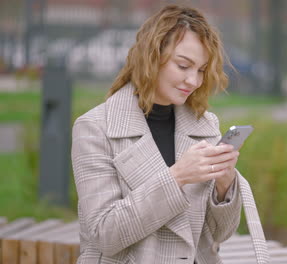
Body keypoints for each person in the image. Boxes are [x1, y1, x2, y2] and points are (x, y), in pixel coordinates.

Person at [71, 4, 269, 264]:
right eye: (183, 65)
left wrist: (224, 185)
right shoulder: (95, 128)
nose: (194, 81)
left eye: (200, 70)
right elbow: (105, 235)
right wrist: (177, 177)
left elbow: (218, 234)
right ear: (151, 57)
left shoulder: (204, 124)